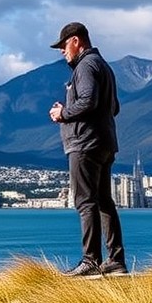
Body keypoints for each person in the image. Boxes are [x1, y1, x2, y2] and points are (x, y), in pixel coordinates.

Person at [48, 21, 127, 276]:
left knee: (85, 202)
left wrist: (63, 113)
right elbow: (113, 107)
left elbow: (88, 100)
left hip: (84, 144)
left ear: (76, 40)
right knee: (104, 201)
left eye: (63, 46)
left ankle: (90, 260)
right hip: (105, 143)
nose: (62, 52)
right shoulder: (104, 67)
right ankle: (115, 260)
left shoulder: (86, 66)